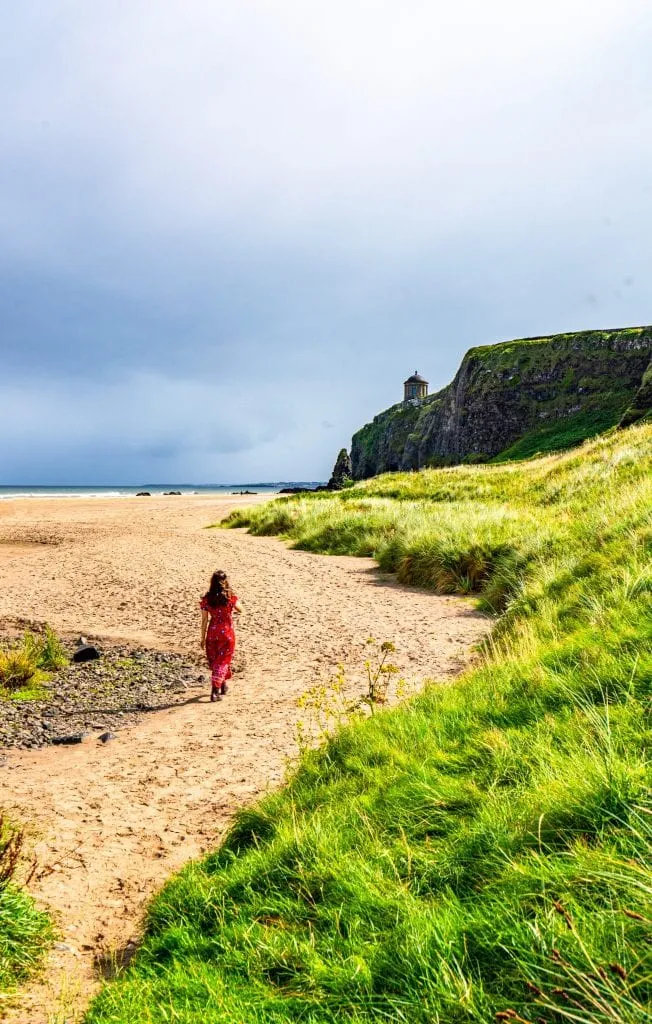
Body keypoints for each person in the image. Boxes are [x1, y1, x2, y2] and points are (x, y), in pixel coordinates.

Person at [200, 571, 242, 702]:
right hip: (227, 633)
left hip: (212, 633)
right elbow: (241, 609)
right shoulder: (230, 598)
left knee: (216, 661)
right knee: (223, 661)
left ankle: (223, 685)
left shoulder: (207, 599)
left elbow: (204, 621)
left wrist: (202, 638)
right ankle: (215, 691)